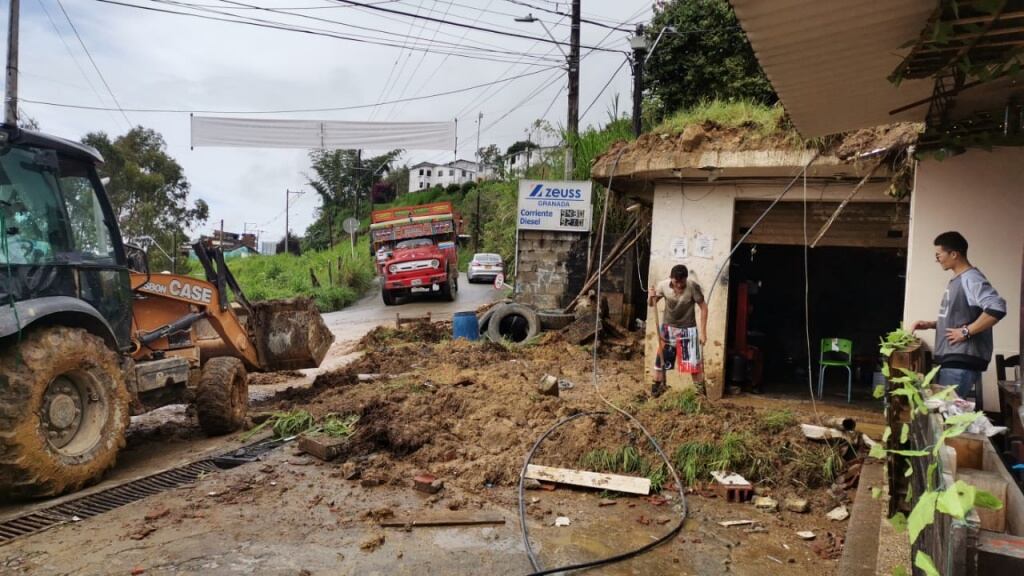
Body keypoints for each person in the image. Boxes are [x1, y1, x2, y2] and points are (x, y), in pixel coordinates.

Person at [911, 231, 1006, 410]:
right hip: (954, 360)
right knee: (944, 414)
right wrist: (932, 324)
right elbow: (963, 316)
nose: (937, 259)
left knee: (945, 416)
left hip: (961, 362)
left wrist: (966, 332)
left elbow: (997, 308)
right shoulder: (958, 280)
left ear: (954, 254)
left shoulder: (971, 278)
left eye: (938, 255)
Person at [648, 264, 708, 397]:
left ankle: (701, 399)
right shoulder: (663, 286)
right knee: (660, 363)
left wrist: (703, 333)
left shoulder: (692, 287)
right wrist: (651, 296)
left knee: (694, 366)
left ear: (686, 278)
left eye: (682, 282)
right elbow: (651, 304)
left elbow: (704, 307)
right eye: (677, 282)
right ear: (671, 278)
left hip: (688, 330)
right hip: (668, 329)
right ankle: (655, 395)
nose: (680, 285)